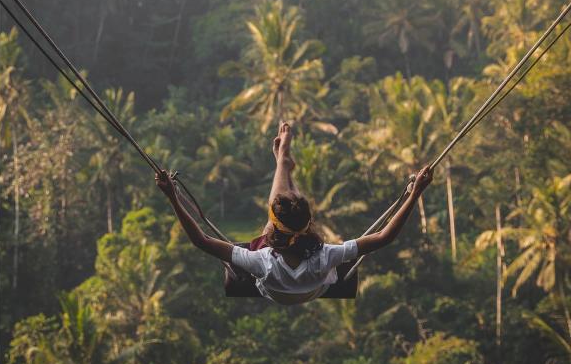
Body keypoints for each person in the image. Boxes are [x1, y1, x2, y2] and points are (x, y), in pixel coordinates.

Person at [155, 121, 433, 306]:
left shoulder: (261, 260)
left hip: (275, 292)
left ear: (276, 231)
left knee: (280, 202)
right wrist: (415, 193)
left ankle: (282, 164)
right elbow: (384, 237)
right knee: (284, 202)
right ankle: (283, 164)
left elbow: (201, 241)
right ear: (309, 224)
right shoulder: (326, 255)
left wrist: (172, 198)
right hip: (315, 290)